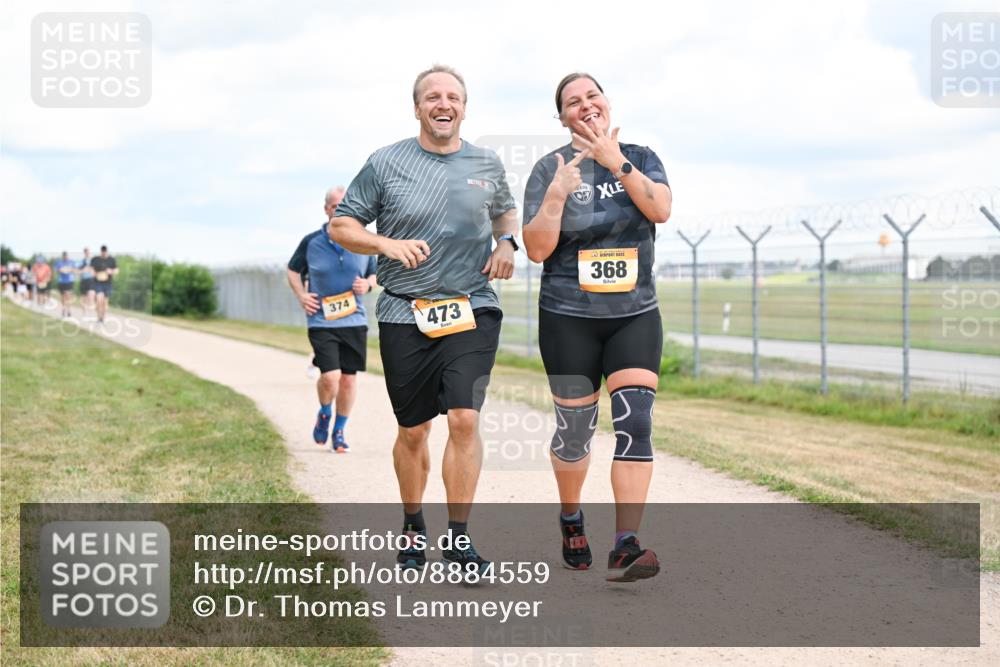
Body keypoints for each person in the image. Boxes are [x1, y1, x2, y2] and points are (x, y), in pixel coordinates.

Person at [329, 64, 518, 574]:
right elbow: (342, 225)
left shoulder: (486, 161)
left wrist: (506, 241)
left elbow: (504, 211)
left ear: (463, 106)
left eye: (453, 96)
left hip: (472, 305)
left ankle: (459, 537)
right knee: (413, 431)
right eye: (432, 96)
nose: (444, 103)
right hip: (403, 312)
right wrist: (384, 243)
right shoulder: (385, 162)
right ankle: (414, 523)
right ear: (417, 107)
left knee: (464, 419)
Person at [522, 72, 672, 583]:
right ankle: (571, 518)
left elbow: (661, 208)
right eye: (572, 102)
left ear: (607, 103)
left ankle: (626, 544)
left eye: (593, 96)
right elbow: (538, 249)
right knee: (575, 432)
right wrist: (558, 195)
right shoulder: (549, 168)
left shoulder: (642, 155)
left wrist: (617, 162)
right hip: (568, 318)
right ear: (562, 117)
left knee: (635, 421)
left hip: (634, 314)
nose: (585, 106)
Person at [287, 186, 378, 453]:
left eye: (347, 205)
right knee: (331, 377)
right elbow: (293, 271)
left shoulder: (363, 241)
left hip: (354, 321)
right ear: (327, 209)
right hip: (321, 320)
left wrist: (368, 285)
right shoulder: (311, 241)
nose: (342, 210)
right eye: (337, 206)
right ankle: (325, 412)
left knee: (348, 380)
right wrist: (302, 296)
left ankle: (339, 431)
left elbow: (373, 274)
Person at [90, 245, 118, 323]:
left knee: (105, 302)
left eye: (105, 252)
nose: (104, 253)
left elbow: (116, 270)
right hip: (98, 283)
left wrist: (111, 271)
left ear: (107, 252)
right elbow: (91, 269)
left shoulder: (111, 260)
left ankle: (102, 317)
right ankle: (98, 317)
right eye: (103, 252)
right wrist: (95, 274)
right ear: (101, 252)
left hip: (107, 283)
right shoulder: (95, 259)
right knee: (99, 300)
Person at [54, 251, 77, 318]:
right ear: (62, 256)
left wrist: (70, 270)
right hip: (61, 281)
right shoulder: (59, 262)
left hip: (69, 281)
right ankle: (63, 309)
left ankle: (69, 310)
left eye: (66, 256)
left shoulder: (71, 262)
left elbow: (74, 270)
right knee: (63, 297)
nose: (65, 257)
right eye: (64, 256)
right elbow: (56, 270)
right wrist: (60, 270)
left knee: (68, 296)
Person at [78, 247, 97, 319]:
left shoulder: (93, 261)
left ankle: (91, 313)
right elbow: (78, 271)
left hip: (91, 280)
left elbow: (96, 270)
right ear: (84, 253)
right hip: (83, 280)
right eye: (86, 252)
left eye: (88, 252)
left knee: (91, 295)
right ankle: (84, 314)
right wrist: (83, 270)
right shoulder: (82, 262)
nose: (87, 253)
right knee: (84, 298)